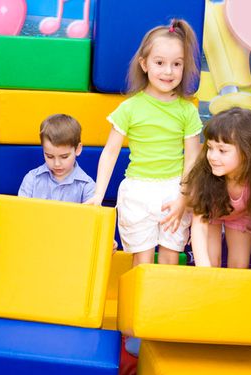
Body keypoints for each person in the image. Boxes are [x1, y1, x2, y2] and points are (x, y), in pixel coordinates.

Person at [86, 18, 203, 267]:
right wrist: (98, 194)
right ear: (144, 64)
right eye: (160, 63)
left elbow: (193, 157)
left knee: (171, 257)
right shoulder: (129, 108)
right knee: (142, 261)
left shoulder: (187, 110)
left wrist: (184, 196)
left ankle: (163, 306)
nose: (168, 71)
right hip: (138, 190)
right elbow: (110, 152)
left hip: (174, 188)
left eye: (176, 64)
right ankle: (141, 306)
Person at [186, 107, 251, 270]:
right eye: (210, 147)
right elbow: (199, 225)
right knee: (210, 262)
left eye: (222, 150)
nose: (213, 156)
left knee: (239, 266)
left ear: (247, 153)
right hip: (211, 215)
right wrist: (203, 270)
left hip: (240, 216)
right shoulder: (204, 174)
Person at [18, 114, 96, 203]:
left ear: (78, 149)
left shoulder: (87, 186)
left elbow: (92, 216)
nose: (57, 164)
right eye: (49, 156)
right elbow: (21, 213)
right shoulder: (32, 179)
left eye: (64, 157)